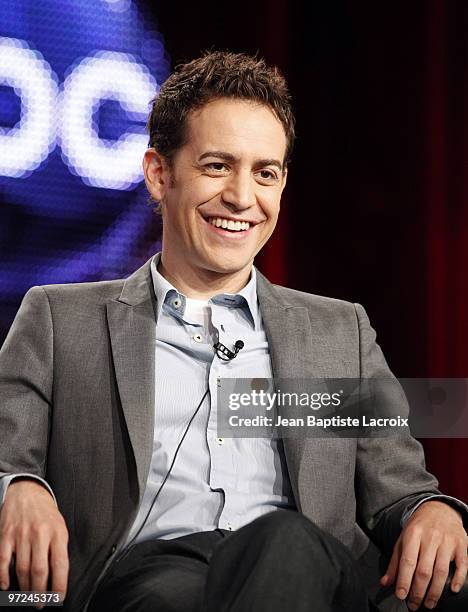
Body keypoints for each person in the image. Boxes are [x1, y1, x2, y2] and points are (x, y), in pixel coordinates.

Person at [0, 51, 466, 612]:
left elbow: (401, 491)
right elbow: (7, 459)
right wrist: (20, 489)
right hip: (150, 580)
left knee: (287, 542)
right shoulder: (59, 319)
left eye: (264, 173)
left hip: (316, 571)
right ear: (159, 173)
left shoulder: (337, 331)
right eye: (217, 166)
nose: (243, 198)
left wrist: (432, 511)